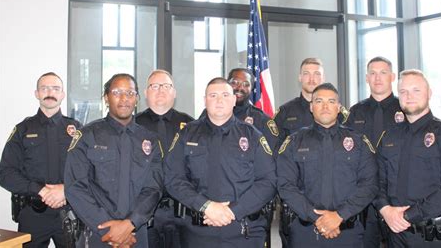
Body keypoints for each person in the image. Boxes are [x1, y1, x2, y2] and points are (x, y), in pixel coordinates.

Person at [164, 77, 277, 248]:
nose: (219, 100)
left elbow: (268, 182)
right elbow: (173, 178)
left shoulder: (253, 136)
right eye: (213, 95)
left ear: (233, 100)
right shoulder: (186, 134)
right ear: (205, 100)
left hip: (243, 232)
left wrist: (233, 211)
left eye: (225, 95)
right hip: (197, 232)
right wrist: (206, 206)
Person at [64, 73, 164, 247]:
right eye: (117, 92)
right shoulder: (86, 136)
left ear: (137, 99)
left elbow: (154, 188)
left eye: (130, 93)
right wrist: (109, 230)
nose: (124, 98)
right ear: (106, 98)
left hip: (136, 233)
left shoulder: (150, 140)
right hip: (97, 232)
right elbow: (75, 186)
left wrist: (130, 224)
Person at [277, 83, 378, 247]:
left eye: (331, 101)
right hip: (305, 231)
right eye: (319, 101)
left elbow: (370, 184)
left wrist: (339, 216)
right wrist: (318, 218)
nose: (325, 106)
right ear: (311, 107)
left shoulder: (359, 141)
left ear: (338, 107)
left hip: (348, 230)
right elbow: (285, 185)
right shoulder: (294, 142)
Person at [375, 69, 441, 247]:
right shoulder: (388, 137)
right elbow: (378, 182)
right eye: (403, 91)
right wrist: (385, 209)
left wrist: (407, 215)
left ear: (429, 93)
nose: (409, 96)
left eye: (416, 90)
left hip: (434, 237)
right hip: (395, 237)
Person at [0, 72, 81, 247]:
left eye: (56, 88)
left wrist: (66, 190)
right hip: (32, 215)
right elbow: (5, 173)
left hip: (70, 211)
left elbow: (89, 170)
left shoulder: (77, 129)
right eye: (44, 88)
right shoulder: (22, 129)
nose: (50, 92)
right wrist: (41, 190)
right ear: (37, 93)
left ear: (62, 94)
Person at [346, 56, 402, 247]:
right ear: (367, 78)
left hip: (396, 191)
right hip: (363, 194)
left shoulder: (405, 108)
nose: (378, 78)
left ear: (392, 76)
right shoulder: (355, 112)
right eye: (373, 73)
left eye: (383, 73)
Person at [136, 69, 194, 248]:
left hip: (183, 211)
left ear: (174, 93)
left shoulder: (191, 125)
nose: (160, 90)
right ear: (145, 93)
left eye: (166, 86)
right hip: (145, 211)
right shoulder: (133, 125)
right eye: (154, 86)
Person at [274, 58, 325, 143]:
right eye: (306, 74)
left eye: (317, 74)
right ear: (300, 77)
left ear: (323, 78)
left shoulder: (335, 111)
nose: (311, 79)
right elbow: (275, 148)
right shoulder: (284, 112)